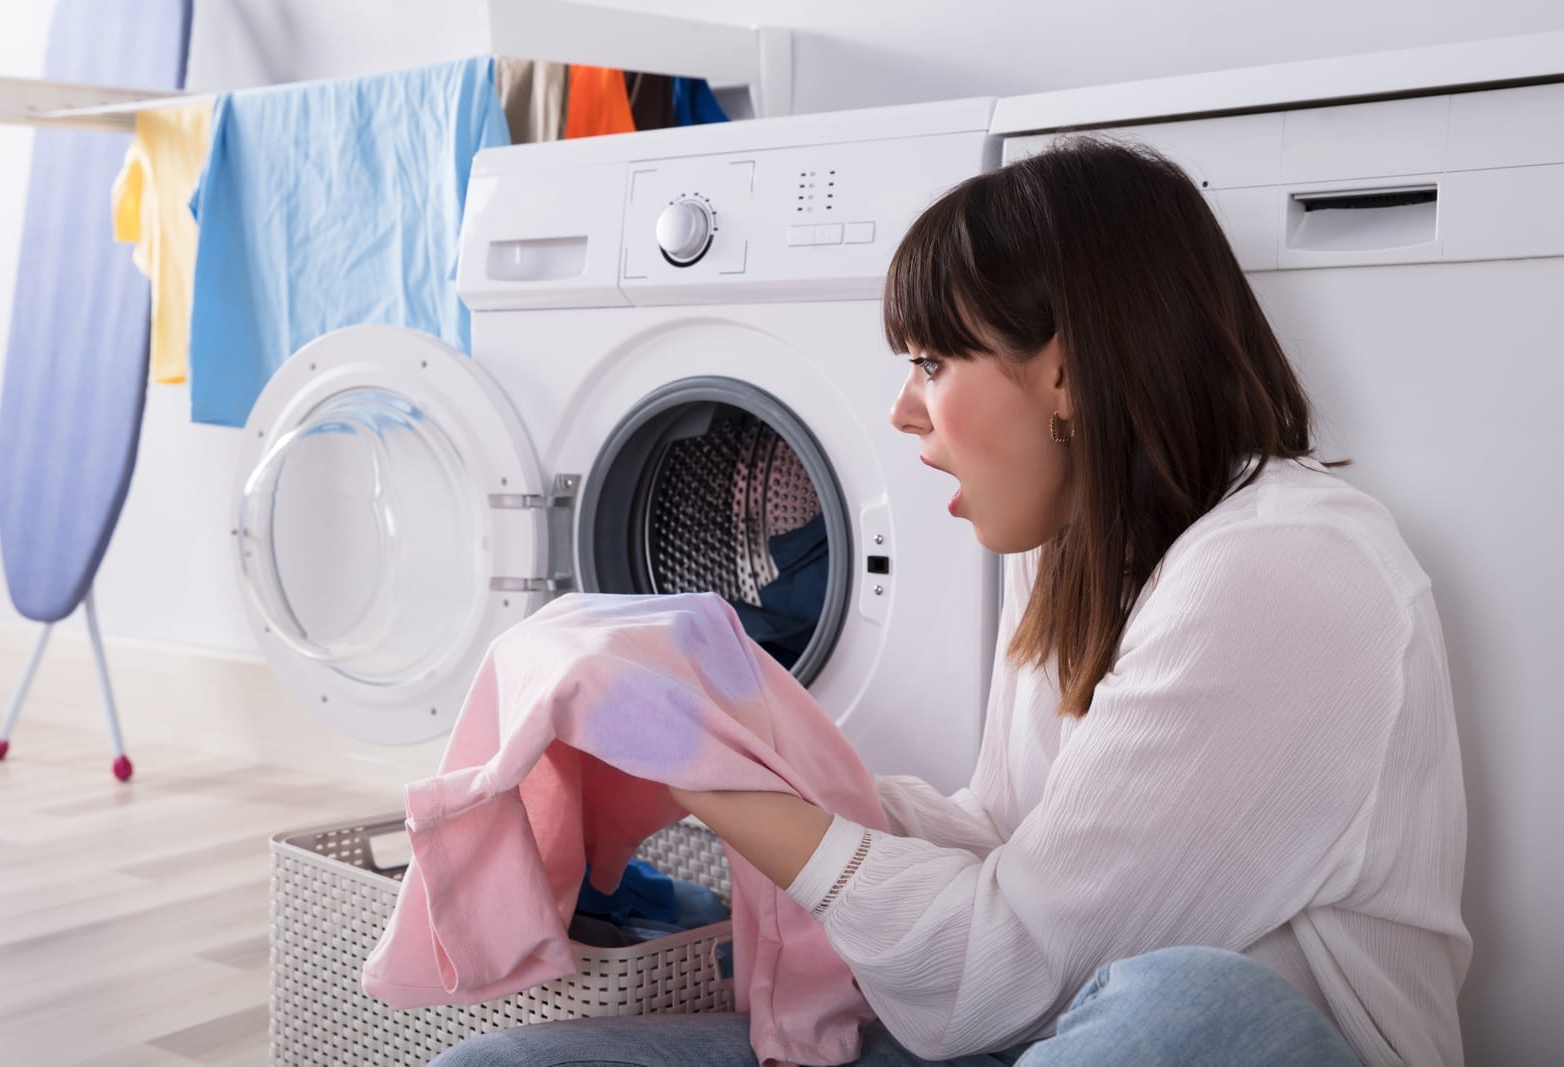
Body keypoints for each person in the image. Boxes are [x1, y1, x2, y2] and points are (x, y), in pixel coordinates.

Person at [429, 137, 1469, 1066]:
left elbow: (1011, 964)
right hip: (1033, 1031)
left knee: (1187, 995)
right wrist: (738, 746)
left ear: (1064, 371)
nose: (902, 406)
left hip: (1230, 1038)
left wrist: (722, 793)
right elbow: (1001, 834)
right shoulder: (1075, 552)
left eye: (932, 360)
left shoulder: (1285, 568)